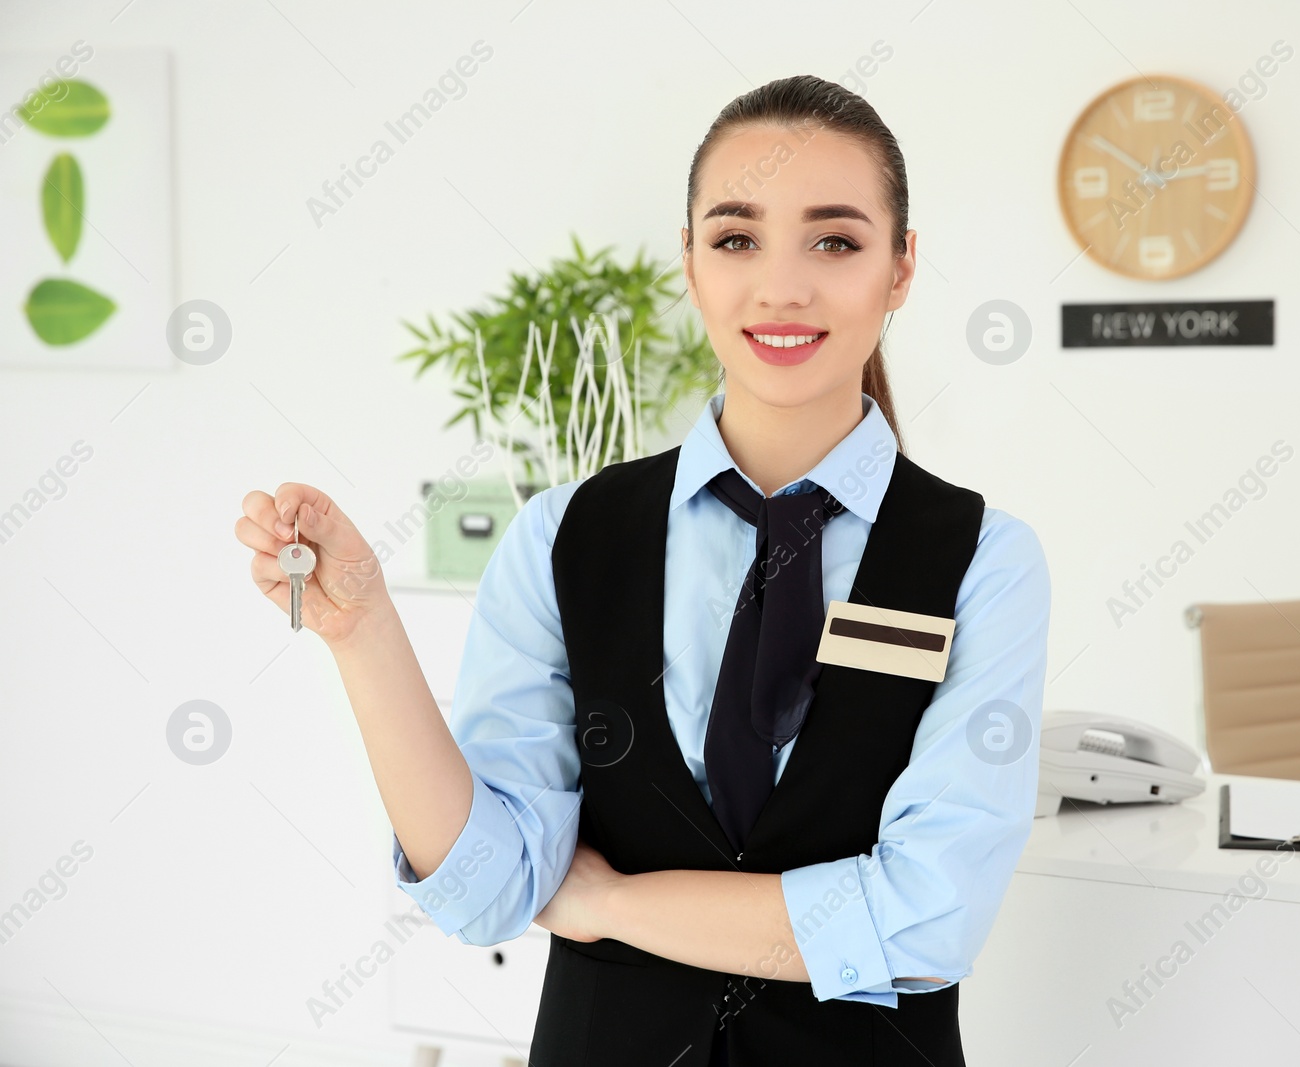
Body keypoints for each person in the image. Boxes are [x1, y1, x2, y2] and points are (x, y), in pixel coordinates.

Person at [237, 73, 1050, 1067]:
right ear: (691, 263)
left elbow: (928, 920)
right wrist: (360, 631)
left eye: (834, 240)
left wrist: (611, 899)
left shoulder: (983, 561)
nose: (782, 285)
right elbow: (489, 887)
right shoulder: (562, 536)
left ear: (900, 267)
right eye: (736, 238)